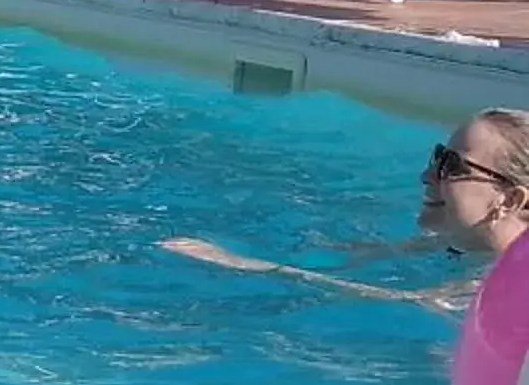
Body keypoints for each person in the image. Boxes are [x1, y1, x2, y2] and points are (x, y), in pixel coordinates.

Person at [164, 111, 529, 307]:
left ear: (510, 200)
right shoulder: (468, 246)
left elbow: (412, 302)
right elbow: (371, 256)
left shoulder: (510, 282)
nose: (426, 175)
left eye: (451, 166)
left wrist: (245, 265)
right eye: (437, 157)